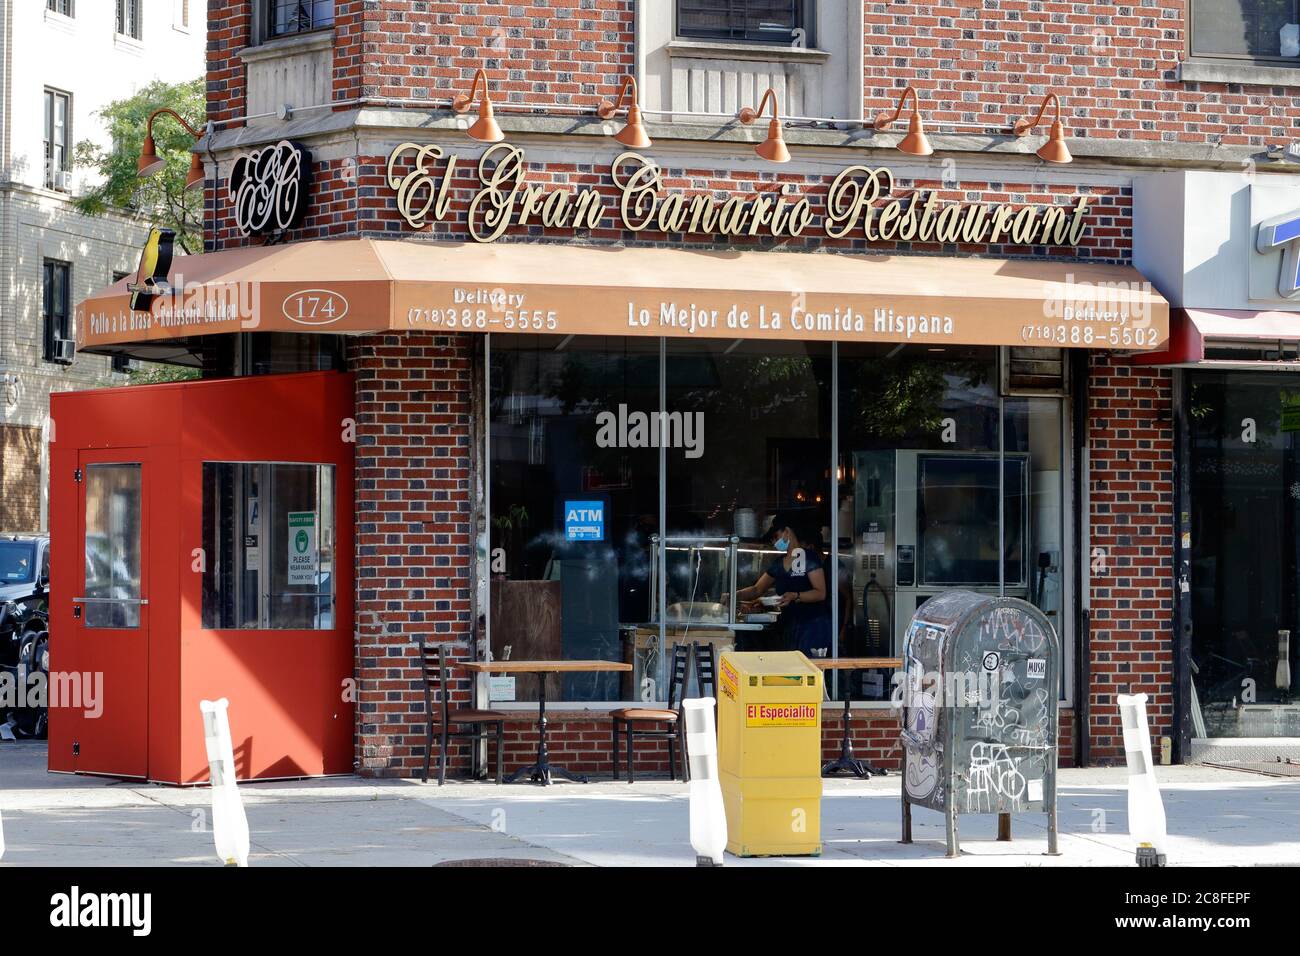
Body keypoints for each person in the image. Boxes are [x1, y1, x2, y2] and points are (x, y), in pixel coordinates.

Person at [730, 512, 832, 657]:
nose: (774, 542)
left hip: (812, 626)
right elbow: (757, 589)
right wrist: (732, 595)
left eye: (776, 536)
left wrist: (795, 596)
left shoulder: (809, 558)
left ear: (787, 532)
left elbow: (820, 593)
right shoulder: (778, 564)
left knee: (809, 671)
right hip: (790, 626)